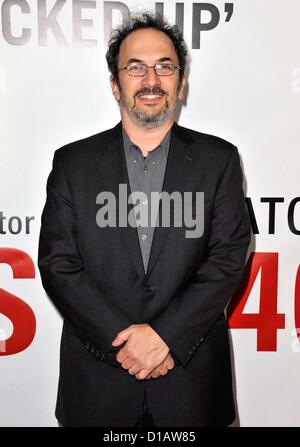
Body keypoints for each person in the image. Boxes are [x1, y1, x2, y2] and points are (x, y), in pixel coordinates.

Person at [38, 12, 251, 427]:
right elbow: (58, 265)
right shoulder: (72, 164)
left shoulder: (219, 160)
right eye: (135, 67)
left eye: (164, 67)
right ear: (115, 83)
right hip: (99, 385)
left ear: (181, 83)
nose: (151, 79)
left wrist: (165, 337)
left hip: (191, 386)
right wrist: (125, 343)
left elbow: (227, 259)